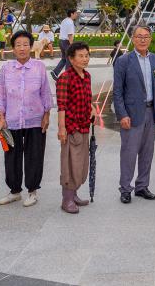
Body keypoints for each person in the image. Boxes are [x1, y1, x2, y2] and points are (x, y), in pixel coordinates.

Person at [0, 30, 52, 207]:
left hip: (35, 119)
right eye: (18, 45)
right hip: (11, 120)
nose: (22, 48)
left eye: (26, 44)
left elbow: (46, 93)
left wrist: (46, 115)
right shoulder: (6, 68)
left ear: (31, 46)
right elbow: (1, 94)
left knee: (34, 155)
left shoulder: (39, 67)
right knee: (12, 156)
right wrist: (0, 118)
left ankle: (33, 191)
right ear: (13, 48)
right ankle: (14, 191)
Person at [113, 24, 155, 203]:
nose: (142, 39)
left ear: (150, 39)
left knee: (147, 152)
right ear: (133, 38)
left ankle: (142, 186)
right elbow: (117, 91)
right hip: (131, 114)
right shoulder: (123, 61)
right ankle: (125, 188)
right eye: (139, 36)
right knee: (129, 152)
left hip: (151, 112)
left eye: (146, 36)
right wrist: (122, 114)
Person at [56, 41, 97, 214]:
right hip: (71, 127)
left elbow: (87, 99)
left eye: (86, 55)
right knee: (70, 164)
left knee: (80, 163)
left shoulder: (86, 76)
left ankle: (74, 194)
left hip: (83, 126)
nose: (85, 58)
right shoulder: (66, 77)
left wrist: (93, 108)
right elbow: (62, 106)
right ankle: (67, 199)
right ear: (71, 59)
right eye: (80, 56)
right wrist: (62, 129)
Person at [51, 9, 78, 81]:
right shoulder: (70, 22)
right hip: (67, 42)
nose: (76, 15)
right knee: (69, 60)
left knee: (64, 59)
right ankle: (67, 77)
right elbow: (70, 35)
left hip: (61, 41)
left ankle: (55, 72)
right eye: (75, 13)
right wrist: (72, 45)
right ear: (71, 14)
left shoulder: (64, 20)